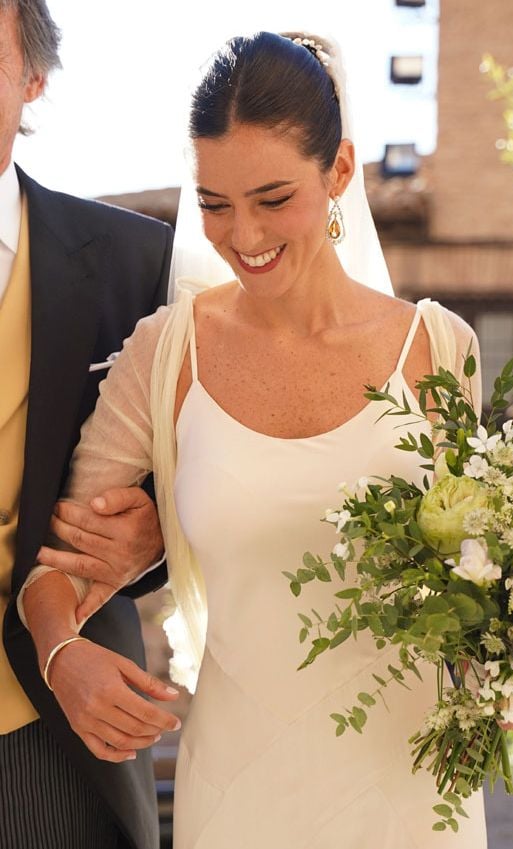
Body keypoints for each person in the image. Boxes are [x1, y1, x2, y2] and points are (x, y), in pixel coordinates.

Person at [20, 31, 488, 848]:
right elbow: (57, 573)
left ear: (340, 170)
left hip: (417, 791)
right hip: (240, 792)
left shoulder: (441, 350)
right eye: (214, 203)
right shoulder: (165, 356)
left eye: (273, 199)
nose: (242, 235)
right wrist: (64, 653)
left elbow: (479, 573)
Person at [0, 2, 181, 848]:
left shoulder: (135, 263)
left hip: (59, 723)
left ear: (34, 78)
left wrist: (159, 524)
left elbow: (216, 475)